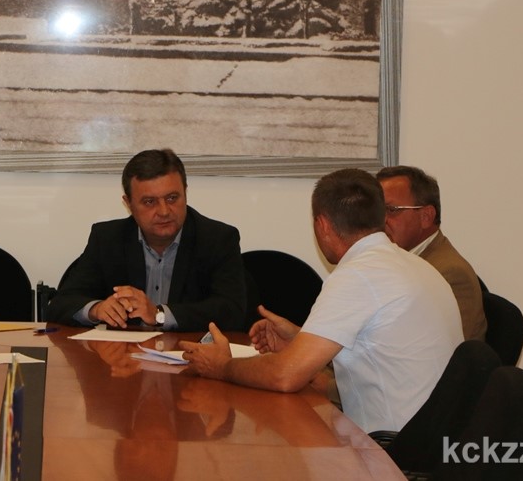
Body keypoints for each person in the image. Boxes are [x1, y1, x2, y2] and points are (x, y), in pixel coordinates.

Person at [180, 168, 463, 434]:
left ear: (323, 225)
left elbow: (284, 376)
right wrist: (300, 339)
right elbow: (375, 345)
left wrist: (222, 366)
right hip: (438, 441)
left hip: (392, 449)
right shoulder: (415, 266)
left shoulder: (358, 275)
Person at [46, 149, 246, 332]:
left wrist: (159, 314)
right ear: (129, 204)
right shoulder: (107, 239)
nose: (164, 211)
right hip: (125, 357)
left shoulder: (217, 239)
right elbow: (60, 304)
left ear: (185, 192)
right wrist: (96, 309)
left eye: (172, 198)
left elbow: (232, 311)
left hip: (189, 353)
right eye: (150, 202)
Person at [376, 165, 487, 341]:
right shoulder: (387, 260)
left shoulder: (450, 274)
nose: (380, 221)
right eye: (377, 211)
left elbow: (442, 348)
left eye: (391, 210)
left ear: (426, 216)